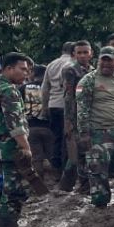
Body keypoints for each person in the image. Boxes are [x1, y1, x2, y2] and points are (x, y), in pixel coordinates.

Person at [0, 52, 46, 227]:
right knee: (13, 192)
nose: (26, 74)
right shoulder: (8, 90)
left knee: (12, 189)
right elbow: (15, 124)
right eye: (23, 69)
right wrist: (26, 147)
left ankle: (6, 225)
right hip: (11, 148)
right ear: (9, 69)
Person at [75, 46, 114, 207]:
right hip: (97, 131)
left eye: (109, 61)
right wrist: (84, 133)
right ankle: (100, 202)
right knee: (97, 168)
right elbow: (82, 108)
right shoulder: (89, 80)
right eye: (103, 60)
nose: (105, 64)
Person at [59, 41, 95, 191]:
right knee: (79, 152)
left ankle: (71, 184)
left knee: (86, 149)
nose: (82, 55)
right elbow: (68, 96)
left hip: (91, 114)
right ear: (73, 54)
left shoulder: (93, 70)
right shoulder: (70, 71)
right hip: (75, 115)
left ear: (91, 54)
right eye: (79, 52)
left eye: (85, 52)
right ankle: (82, 184)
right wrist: (68, 121)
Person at [41, 42, 76, 178]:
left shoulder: (51, 64)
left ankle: (55, 167)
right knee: (68, 139)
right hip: (66, 106)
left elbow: (45, 88)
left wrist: (45, 108)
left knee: (56, 138)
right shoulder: (72, 65)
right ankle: (66, 170)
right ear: (74, 52)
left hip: (53, 104)